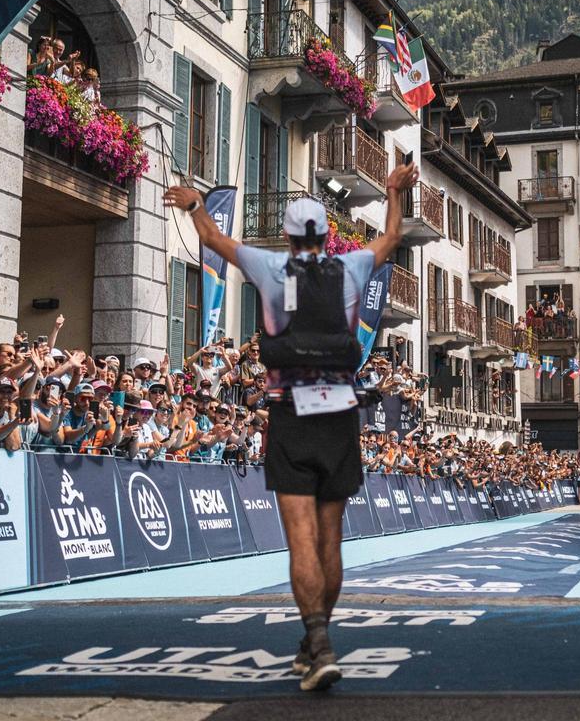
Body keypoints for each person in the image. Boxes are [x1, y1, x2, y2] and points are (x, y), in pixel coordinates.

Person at [164, 159, 416, 692]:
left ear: (285, 236)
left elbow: (212, 237)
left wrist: (194, 204)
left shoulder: (268, 268)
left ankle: (317, 641)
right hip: (341, 417)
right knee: (331, 541)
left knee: (300, 540)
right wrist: (392, 190)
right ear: (327, 236)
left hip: (290, 414)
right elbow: (392, 235)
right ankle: (317, 642)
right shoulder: (351, 270)